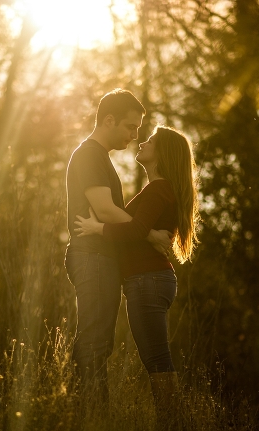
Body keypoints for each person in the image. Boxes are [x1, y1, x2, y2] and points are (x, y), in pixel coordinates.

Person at [74, 124, 199, 413]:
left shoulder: (158, 188)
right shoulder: (161, 188)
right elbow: (143, 230)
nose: (142, 142)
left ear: (163, 153)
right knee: (155, 356)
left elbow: (136, 229)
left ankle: (174, 422)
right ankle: (173, 421)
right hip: (150, 280)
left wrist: (98, 228)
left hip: (148, 280)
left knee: (156, 357)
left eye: (151, 141)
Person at [64, 89, 172, 407]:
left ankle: (89, 415)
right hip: (92, 256)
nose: (134, 135)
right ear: (109, 120)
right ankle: (88, 417)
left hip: (100, 258)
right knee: (95, 340)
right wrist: (150, 234)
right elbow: (105, 210)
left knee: (99, 340)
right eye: (130, 127)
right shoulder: (89, 155)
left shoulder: (100, 158)